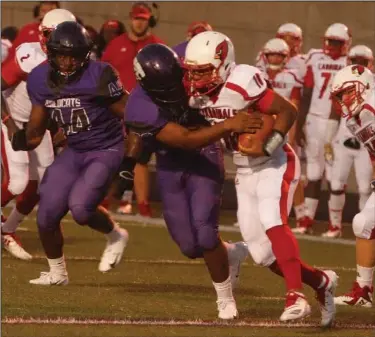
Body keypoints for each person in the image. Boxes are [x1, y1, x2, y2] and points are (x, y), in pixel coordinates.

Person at [183, 30, 338, 326]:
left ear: (223, 64)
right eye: (193, 71)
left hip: (275, 161)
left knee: (272, 219)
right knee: (262, 253)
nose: (196, 78)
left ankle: (296, 296)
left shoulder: (241, 82)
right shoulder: (193, 97)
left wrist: (269, 143)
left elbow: (287, 112)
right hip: (243, 169)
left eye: (203, 71)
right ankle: (321, 283)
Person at [124, 43, 261, 319]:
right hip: (172, 159)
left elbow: (214, 49)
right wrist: (226, 125)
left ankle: (225, 299)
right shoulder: (140, 106)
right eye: (165, 87)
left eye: (177, 79)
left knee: (205, 230)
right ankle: (231, 253)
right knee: (189, 246)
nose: (176, 89)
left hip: (205, 152)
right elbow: (184, 140)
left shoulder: (186, 57)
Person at [11, 22, 129, 285]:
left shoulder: (99, 75)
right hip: (75, 149)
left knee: (80, 208)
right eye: (61, 55)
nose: (66, 62)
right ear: (51, 53)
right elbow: (36, 128)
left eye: (73, 56)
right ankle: (58, 273)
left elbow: (132, 112)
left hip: (105, 148)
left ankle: (115, 235)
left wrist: (135, 155)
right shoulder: (40, 79)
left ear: (84, 55)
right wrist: (23, 140)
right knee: (47, 213)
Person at [1, 9, 76, 261]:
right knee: (17, 183)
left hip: (38, 127)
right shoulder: (27, 55)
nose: (47, 40)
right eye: (45, 33)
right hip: (11, 120)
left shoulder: (76, 64)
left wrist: (64, 129)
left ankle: (7, 230)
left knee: (44, 186)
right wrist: (10, 125)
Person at [101, 2, 164, 217]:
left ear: (149, 21)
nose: (139, 23)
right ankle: (104, 201)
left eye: (143, 19)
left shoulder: (157, 46)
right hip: (115, 108)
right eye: (136, 18)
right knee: (110, 156)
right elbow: (102, 73)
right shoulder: (116, 44)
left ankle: (144, 207)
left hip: (144, 110)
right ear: (130, 19)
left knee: (140, 160)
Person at [294, 23, 351, 234]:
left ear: (346, 44)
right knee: (314, 171)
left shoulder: (349, 62)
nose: (333, 46)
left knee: (335, 175)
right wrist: (299, 125)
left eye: (338, 42)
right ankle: (307, 219)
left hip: (337, 122)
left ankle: (335, 224)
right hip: (314, 118)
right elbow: (307, 93)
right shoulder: (315, 58)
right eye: (331, 41)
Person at [329, 65, 375, 307]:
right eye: (339, 96)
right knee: (363, 222)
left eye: (347, 92)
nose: (343, 100)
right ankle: (364, 291)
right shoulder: (353, 121)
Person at [322, 45, 374, 238]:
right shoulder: (342, 80)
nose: (358, 66)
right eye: (355, 61)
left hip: (366, 145)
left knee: (365, 188)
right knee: (336, 183)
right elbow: (335, 112)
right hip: (344, 140)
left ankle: (366, 229)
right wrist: (328, 139)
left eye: (363, 62)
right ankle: (335, 226)